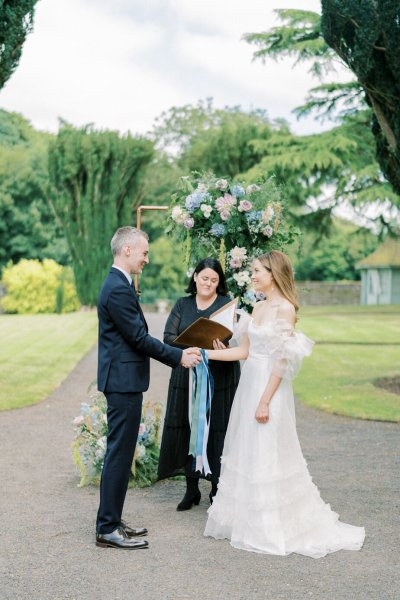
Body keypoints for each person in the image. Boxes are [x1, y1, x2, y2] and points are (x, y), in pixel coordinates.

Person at [204, 251, 365, 558]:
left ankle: (271, 525)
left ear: (273, 273)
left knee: (268, 449)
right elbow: (244, 353)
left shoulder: (285, 309)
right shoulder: (258, 306)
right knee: (249, 447)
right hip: (249, 384)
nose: (252, 276)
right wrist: (206, 354)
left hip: (269, 389)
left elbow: (281, 361)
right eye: (252, 271)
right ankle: (248, 520)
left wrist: (265, 401)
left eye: (257, 271)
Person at [96, 226, 201, 550]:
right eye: (144, 252)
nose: (146, 259)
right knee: (118, 454)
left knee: (121, 453)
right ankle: (107, 528)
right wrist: (178, 356)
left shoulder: (120, 284)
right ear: (127, 250)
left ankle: (112, 519)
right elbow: (139, 339)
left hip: (124, 382)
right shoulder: (117, 289)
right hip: (122, 384)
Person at [158, 258, 240, 510]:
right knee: (188, 425)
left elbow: (235, 341)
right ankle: (191, 489)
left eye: (214, 280)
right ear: (195, 277)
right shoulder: (182, 305)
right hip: (188, 375)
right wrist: (192, 348)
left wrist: (223, 346)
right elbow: (168, 337)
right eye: (204, 278)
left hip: (219, 376)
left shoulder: (226, 305)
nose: (208, 283)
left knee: (217, 427)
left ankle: (216, 487)